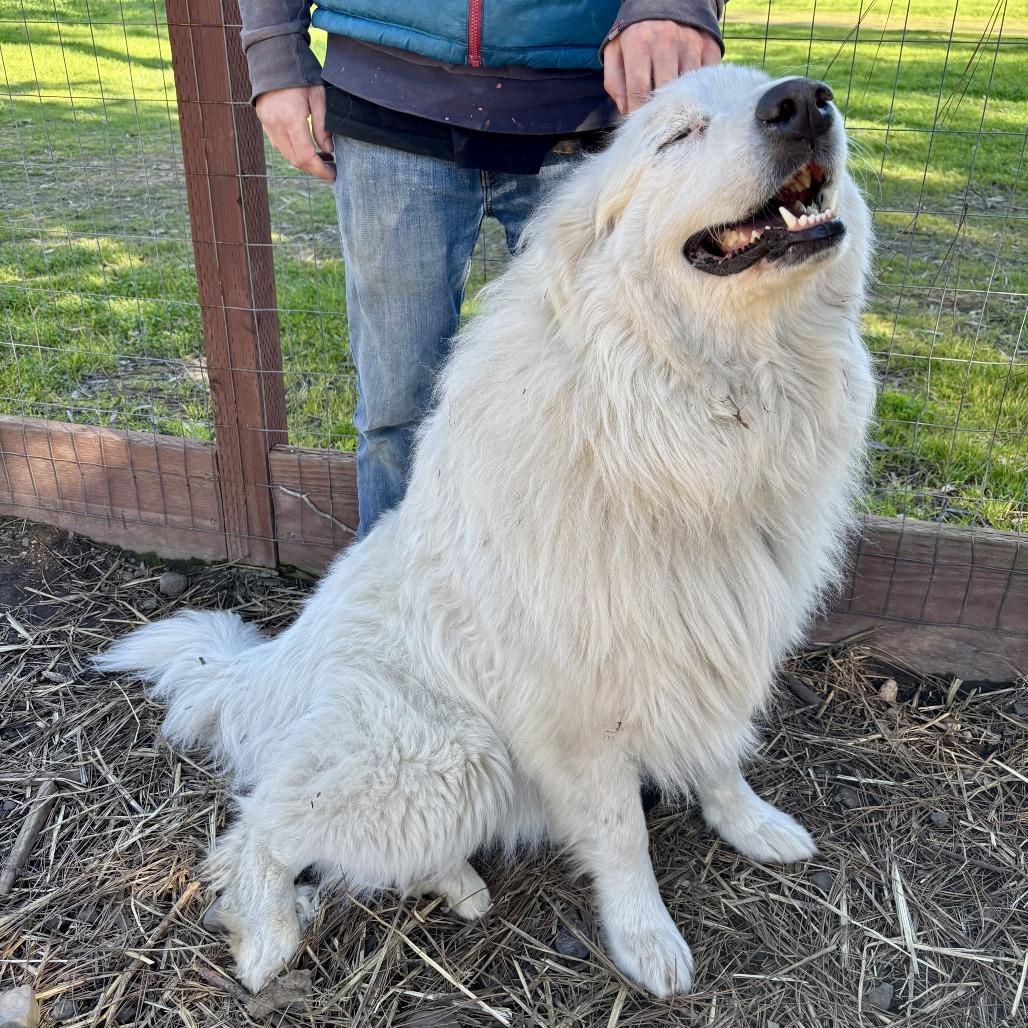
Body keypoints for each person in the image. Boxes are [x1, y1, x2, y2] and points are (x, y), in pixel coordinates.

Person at [238, 1, 725, 537]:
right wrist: (275, 50)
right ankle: (393, 607)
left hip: (593, 111)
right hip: (386, 95)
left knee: (601, 410)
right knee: (394, 413)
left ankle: (575, 609)